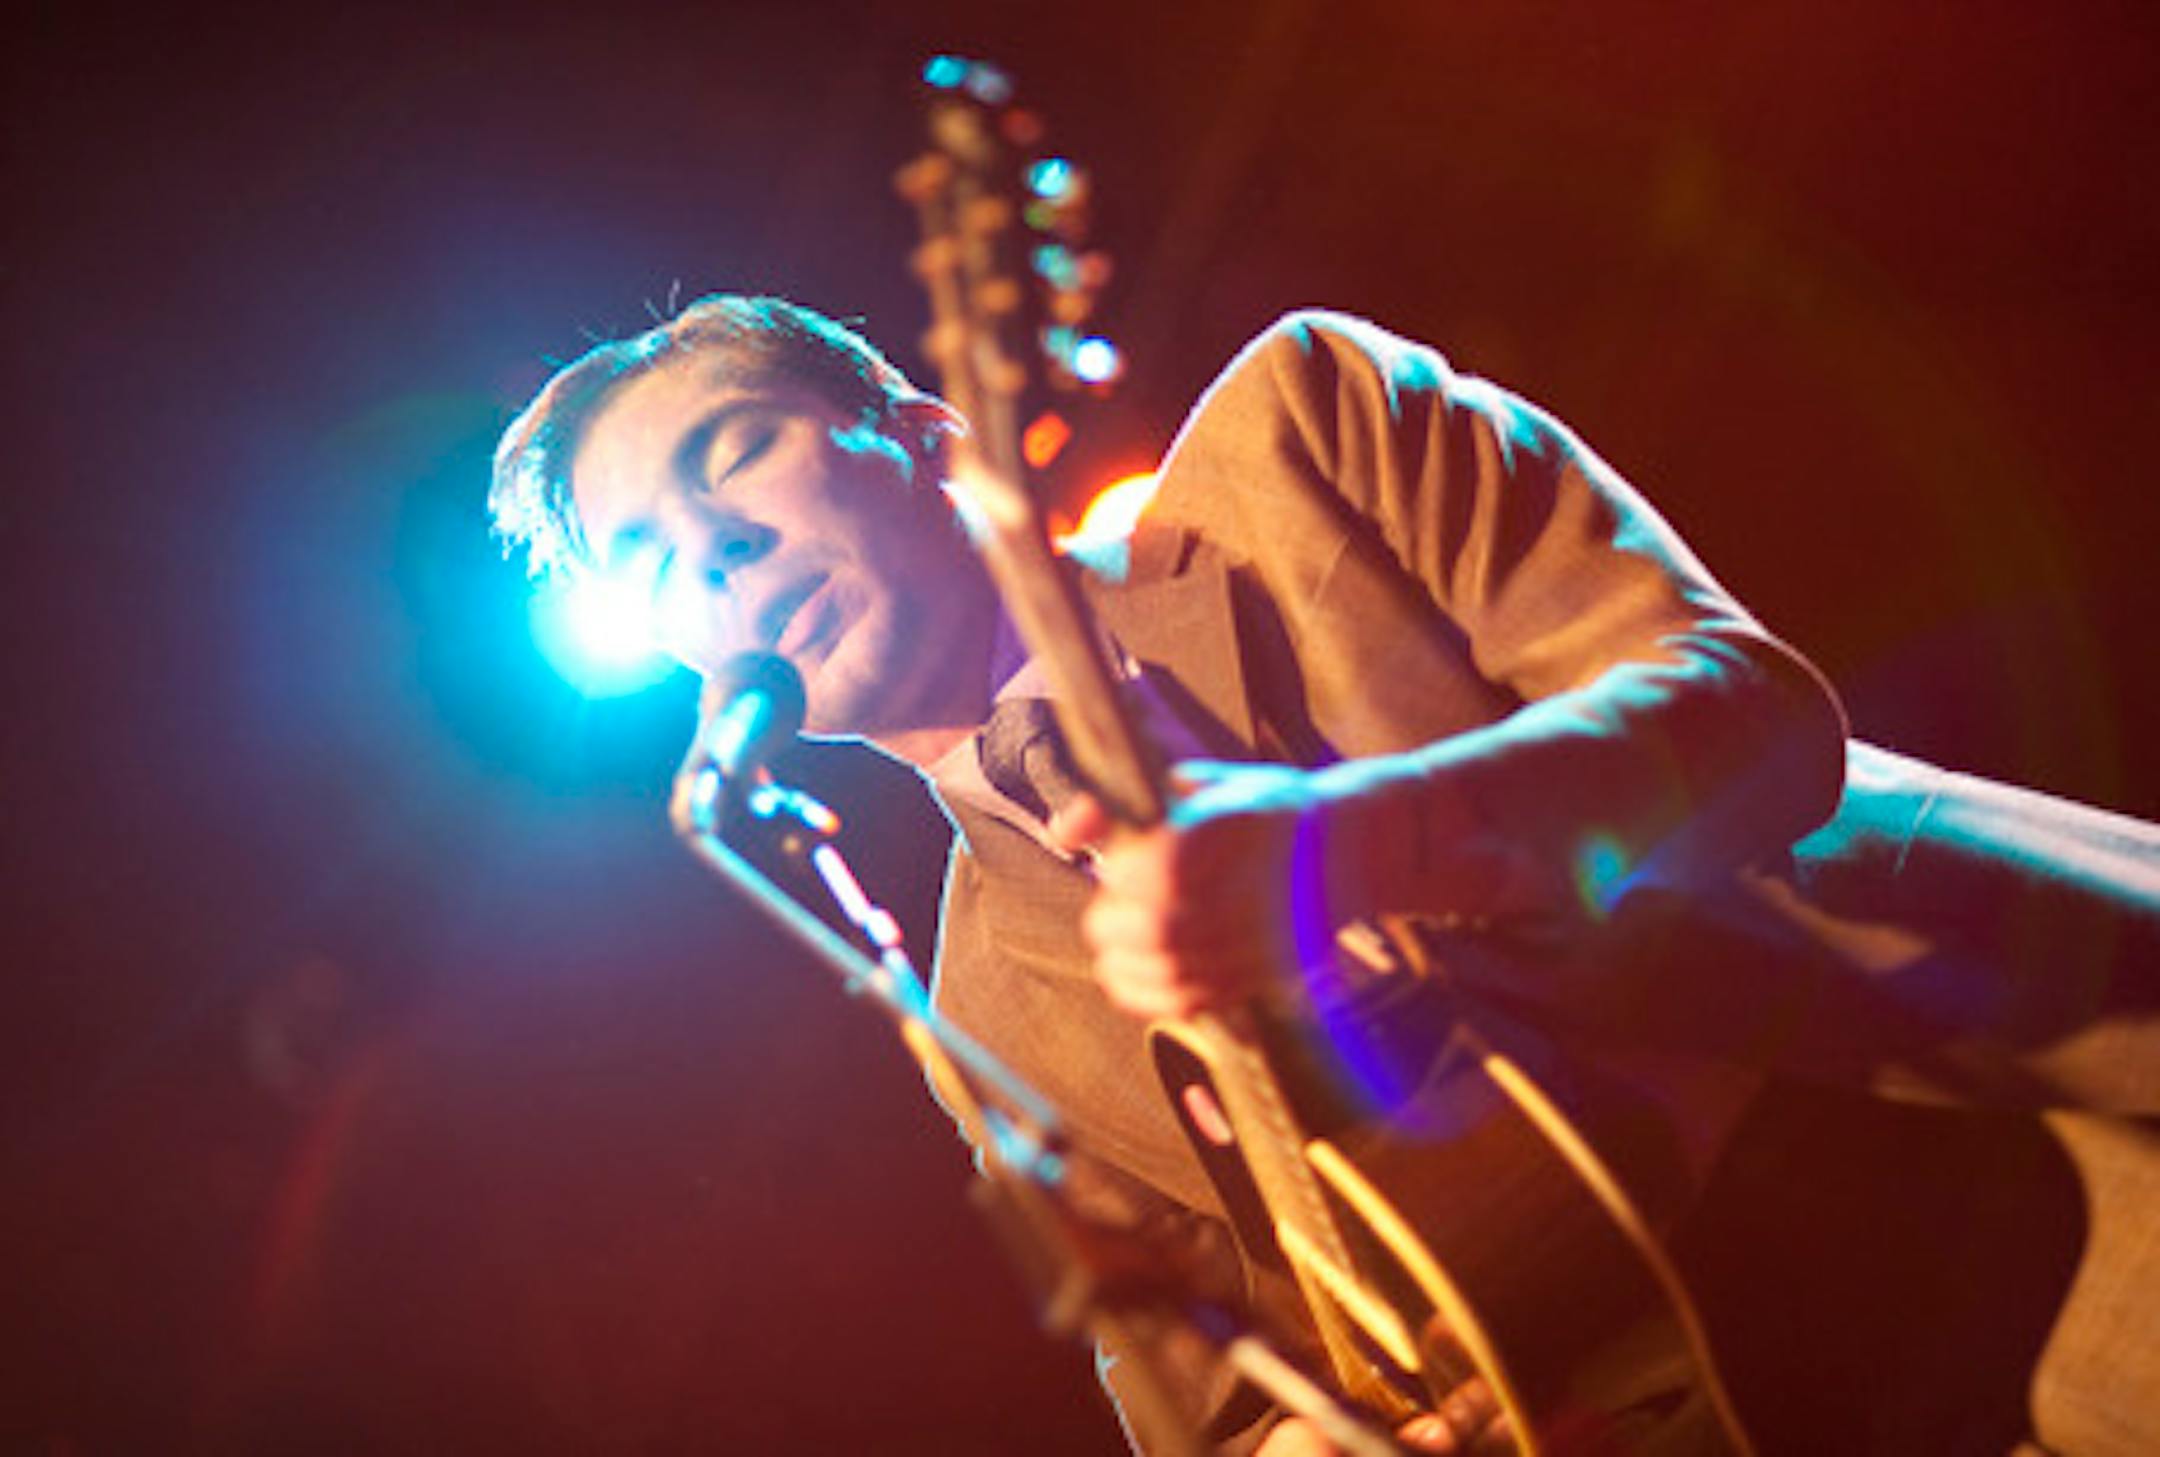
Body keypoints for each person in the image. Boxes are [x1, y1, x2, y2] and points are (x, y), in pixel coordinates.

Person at [490, 294, 2160, 1455]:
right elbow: (1212, 1411)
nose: (704, 549)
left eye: (734, 458)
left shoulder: (1299, 436)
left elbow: (1749, 721)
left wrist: (1340, 844)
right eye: (647, 559)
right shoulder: (981, 1006)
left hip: (2056, 1144)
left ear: (919, 435)